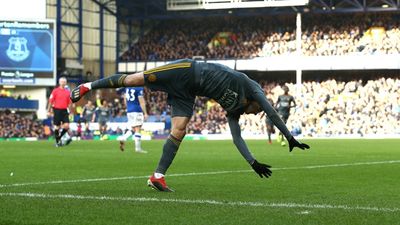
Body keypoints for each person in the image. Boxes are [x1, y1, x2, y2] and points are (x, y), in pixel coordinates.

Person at [70, 59, 309, 192]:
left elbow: (237, 138)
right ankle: (88, 86)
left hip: (189, 92)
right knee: (134, 80)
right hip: (186, 70)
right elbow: (272, 111)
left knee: (179, 129)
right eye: (257, 109)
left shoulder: (235, 111)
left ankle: (158, 176)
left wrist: (253, 162)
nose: (256, 112)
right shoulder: (253, 89)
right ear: (257, 102)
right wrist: (289, 137)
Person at [117, 87, 148, 153]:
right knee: (138, 128)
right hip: (137, 110)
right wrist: (145, 113)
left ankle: (124, 138)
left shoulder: (127, 88)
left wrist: (128, 108)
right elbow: (141, 101)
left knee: (133, 129)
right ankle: (138, 149)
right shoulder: (139, 88)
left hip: (129, 111)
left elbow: (125, 100)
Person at [47, 77, 72, 147]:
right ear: (59, 82)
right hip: (57, 110)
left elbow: (69, 103)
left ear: (66, 83)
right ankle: (58, 142)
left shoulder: (67, 92)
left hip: (64, 110)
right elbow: (50, 101)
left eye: (64, 82)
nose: (63, 83)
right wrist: (48, 110)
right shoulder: (55, 91)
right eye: (62, 82)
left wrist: (70, 111)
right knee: (57, 127)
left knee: (66, 126)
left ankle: (59, 139)